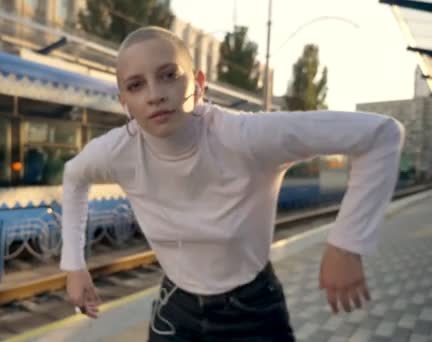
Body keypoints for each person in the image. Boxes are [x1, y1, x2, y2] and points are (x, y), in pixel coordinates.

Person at [60, 26, 404, 341]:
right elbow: (74, 178)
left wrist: (346, 244)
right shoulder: (118, 150)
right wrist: (74, 265)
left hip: (252, 311)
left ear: (198, 82)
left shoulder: (245, 137)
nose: (154, 95)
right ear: (125, 102)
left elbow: (381, 134)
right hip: (175, 310)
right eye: (136, 85)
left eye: (168, 76)